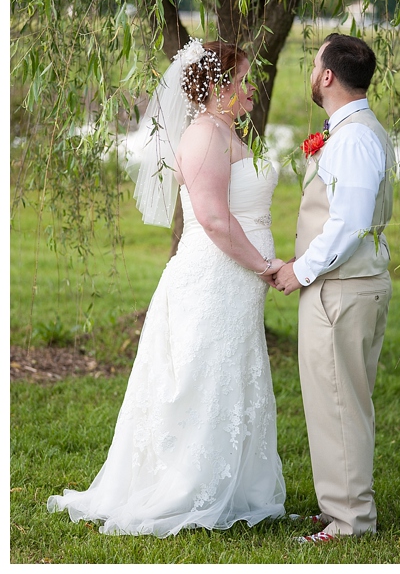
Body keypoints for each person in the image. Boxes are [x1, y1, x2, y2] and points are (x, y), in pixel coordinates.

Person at [47, 40, 286, 536]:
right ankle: (189, 486)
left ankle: (237, 486)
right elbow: (216, 221)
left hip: (233, 282)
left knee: (231, 374)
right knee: (200, 378)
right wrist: (265, 265)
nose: (250, 89)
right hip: (213, 276)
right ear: (218, 86)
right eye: (242, 80)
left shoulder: (227, 132)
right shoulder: (204, 137)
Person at [270, 33, 395, 544]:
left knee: (340, 404)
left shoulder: (356, 138)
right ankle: (339, 508)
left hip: (340, 289)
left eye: (314, 64)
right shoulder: (350, 131)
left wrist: (299, 270)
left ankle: (350, 521)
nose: (311, 72)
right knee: (338, 401)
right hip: (344, 286)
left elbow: (349, 223)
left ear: (327, 76)